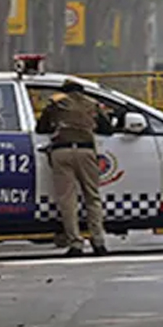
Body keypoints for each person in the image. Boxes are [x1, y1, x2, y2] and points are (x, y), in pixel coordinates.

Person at [36, 79, 115, 256]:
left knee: (67, 200)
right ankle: (99, 242)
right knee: (92, 197)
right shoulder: (92, 104)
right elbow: (107, 129)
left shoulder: (55, 102)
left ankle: (75, 243)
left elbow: (41, 128)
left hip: (61, 152)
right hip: (86, 152)